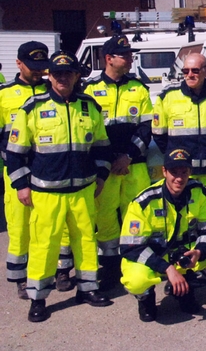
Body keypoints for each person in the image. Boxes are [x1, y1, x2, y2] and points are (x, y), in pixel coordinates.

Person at [6, 51, 113, 322]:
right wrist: (21, 184)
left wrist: (100, 176)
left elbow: (102, 146)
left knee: (86, 241)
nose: (62, 78)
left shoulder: (89, 106)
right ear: (49, 76)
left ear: (77, 76)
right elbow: (15, 152)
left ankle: (87, 289)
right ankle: (38, 298)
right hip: (46, 192)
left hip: (83, 190)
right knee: (44, 245)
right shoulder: (33, 107)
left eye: (68, 73)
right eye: (57, 73)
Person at [120, 148, 206, 322]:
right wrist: (167, 269)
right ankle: (146, 298)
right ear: (164, 171)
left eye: (184, 172)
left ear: (190, 171)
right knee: (136, 280)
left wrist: (199, 252)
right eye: (174, 172)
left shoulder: (198, 191)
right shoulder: (144, 202)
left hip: (185, 254)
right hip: (154, 256)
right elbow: (131, 247)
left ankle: (185, 288)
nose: (179, 178)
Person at [1, 42, 74, 299]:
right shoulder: (4, 94)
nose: (39, 73)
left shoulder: (54, 91)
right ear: (19, 63)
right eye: (33, 68)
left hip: (52, 173)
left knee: (60, 226)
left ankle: (62, 270)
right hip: (18, 173)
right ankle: (21, 278)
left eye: (43, 68)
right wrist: (18, 177)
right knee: (20, 228)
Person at [82, 35, 152, 290]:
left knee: (139, 214)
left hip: (135, 165)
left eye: (131, 54)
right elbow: (89, 132)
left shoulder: (139, 88)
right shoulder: (89, 90)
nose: (130, 58)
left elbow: (147, 128)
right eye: (125, 55)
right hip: (106, 168)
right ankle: (110, 268)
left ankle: (139, 262)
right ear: (109, 58)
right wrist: (111, 160)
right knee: (106, 217)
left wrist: (128, 156)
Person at [152, 53, 206, 213]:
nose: (189, 75)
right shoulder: (168, 96)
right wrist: (175, 160)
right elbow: (159, 135)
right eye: (185, 71)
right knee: (183, 214)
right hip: (182, 172)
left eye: (195, 70)